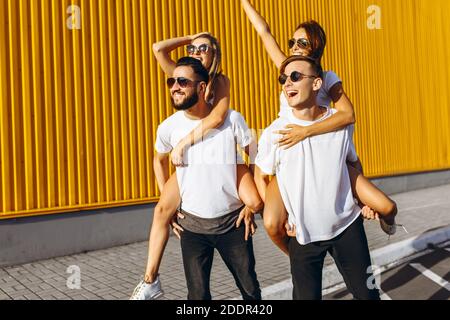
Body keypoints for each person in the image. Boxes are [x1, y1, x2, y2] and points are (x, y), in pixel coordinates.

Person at [241, 0, 398, 255]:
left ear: (316, 46)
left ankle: (382, 220)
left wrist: (306, 131)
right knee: (271, 222)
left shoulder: (326, 78)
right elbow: (263, 31)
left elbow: (349, 115)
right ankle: (301, 257)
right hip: (292, 156)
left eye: (301, 43)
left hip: (329, 154)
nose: (293, 47)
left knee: (387, 206)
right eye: (292, 42)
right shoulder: (288, 69)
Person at [130, 33, 263, 300]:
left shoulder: (225, 100)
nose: (175, 85)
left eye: (204, 48)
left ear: (201, 86)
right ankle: (149, 280)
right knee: (197, 297)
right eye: (172, 82)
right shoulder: (171, 121)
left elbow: (227, 127)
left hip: (231, 225)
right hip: (193, 228)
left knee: (250, 290)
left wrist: (248, 189)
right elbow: (159, 159)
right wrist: (168, 200)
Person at [255, 55, 380, 300]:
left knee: (368, 295)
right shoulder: (274, 132)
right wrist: (280, 214)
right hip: (303, 235)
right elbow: (260, 176)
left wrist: (363, 201)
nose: (287, 83)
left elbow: (352, 162)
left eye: (295, 77)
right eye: (283, 79)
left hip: (347, 227)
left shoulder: (339, 122)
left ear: (316, 84)